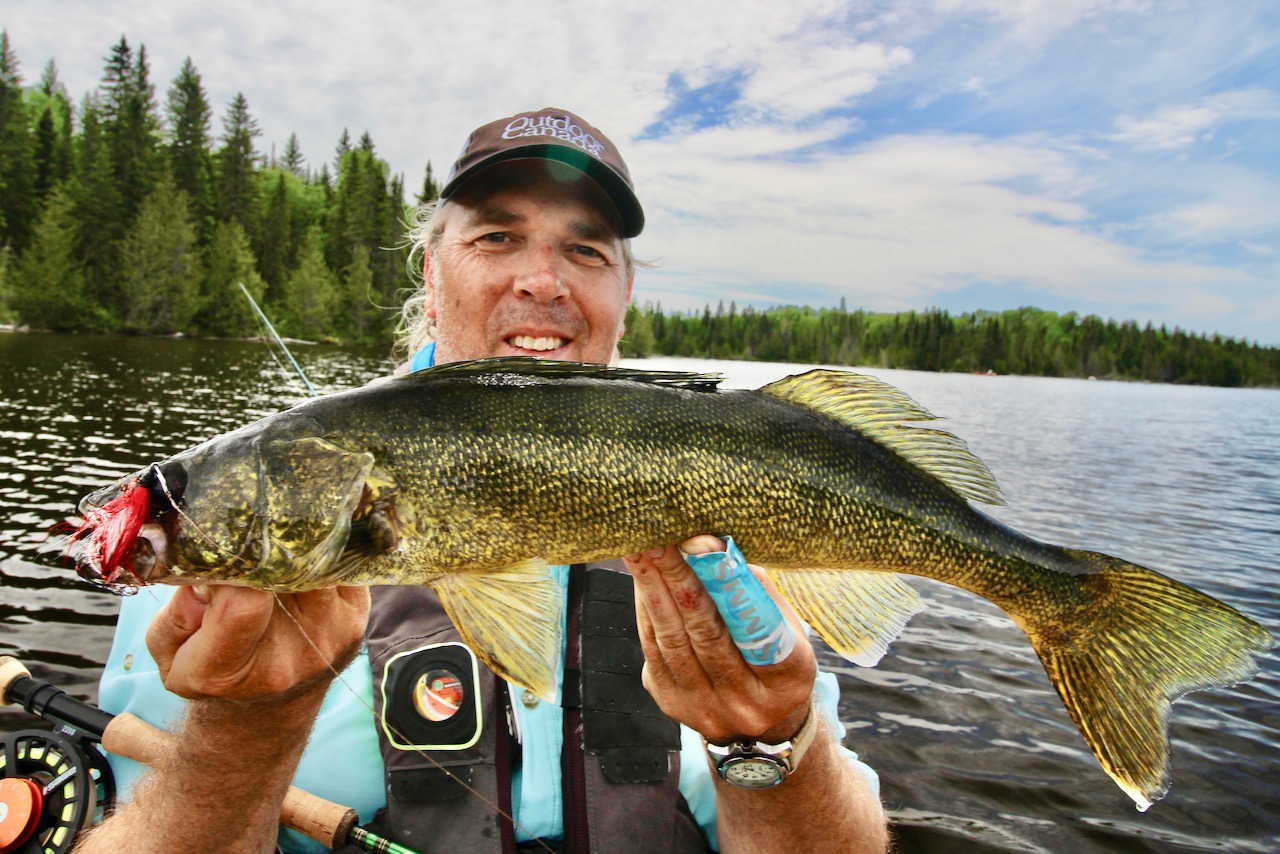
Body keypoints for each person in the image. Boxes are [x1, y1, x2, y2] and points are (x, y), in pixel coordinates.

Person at [78, 108, 890, 854]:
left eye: (585, 249)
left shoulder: (734, 510)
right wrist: (243, 731)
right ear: (431, 277)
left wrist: (774, 740)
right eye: (496, 238)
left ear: (623, 294)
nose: (544, 280)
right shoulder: (240, 527)